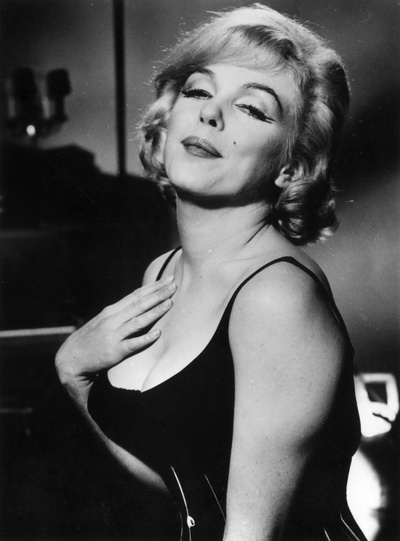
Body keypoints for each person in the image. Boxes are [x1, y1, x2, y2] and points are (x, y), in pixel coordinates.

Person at [56, 4, 367, 540]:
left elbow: (251, 531)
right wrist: (73, 375)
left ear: (291, 165)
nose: (210, 115)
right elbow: (183, 483)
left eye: (252, 109)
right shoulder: (164, 271)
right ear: (167, 120)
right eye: (198, 91)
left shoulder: (276, 298)